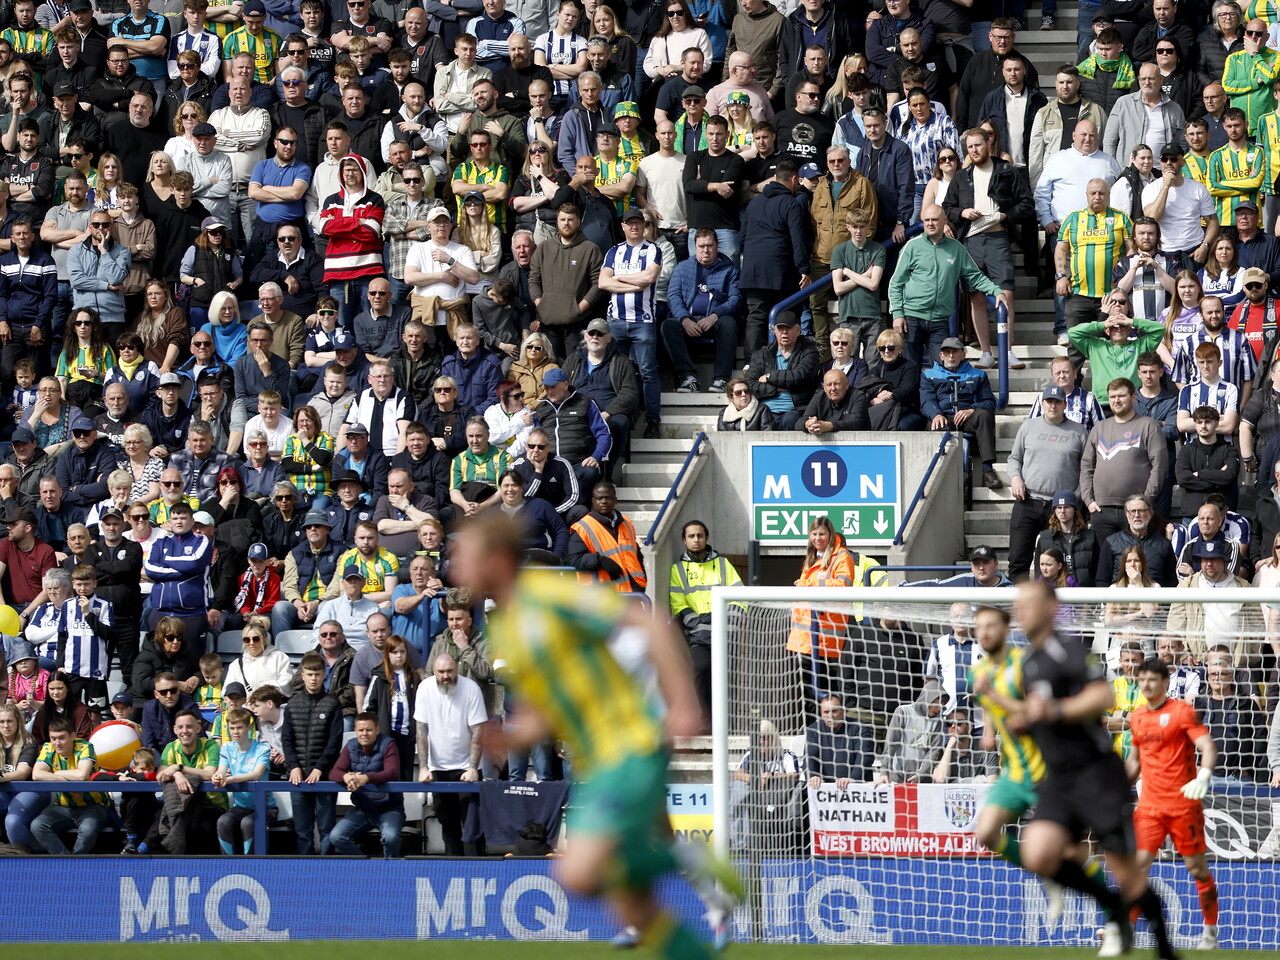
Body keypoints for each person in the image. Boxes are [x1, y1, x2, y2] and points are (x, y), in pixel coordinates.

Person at [1125, 658, 1221, 948]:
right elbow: (1134, 761)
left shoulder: (1182, 712)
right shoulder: (1137, 717)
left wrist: (1204, 775)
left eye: (1152, 680)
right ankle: (1124, 928)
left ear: (1165, 683)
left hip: (1183, 806)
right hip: (1150, 807)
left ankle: (1210, 931)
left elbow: (1207, 746)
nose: (1146, 685)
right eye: (1142, 679)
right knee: (1137, 867)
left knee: (1197, 869)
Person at [890, 204, 1010, 369]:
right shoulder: (911, 246)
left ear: (944, 220)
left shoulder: (956, 248)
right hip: (911, 319)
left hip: (939, 321)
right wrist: (897, 313)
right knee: (910, 371)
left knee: (943, 370)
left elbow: (975, 276)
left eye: (934, 220)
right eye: (926, 220)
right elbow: (896, 283)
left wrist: (996, 291)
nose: (930, 224)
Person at [1006, 386, 1090, 579]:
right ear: (1042, 404)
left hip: (1061, 507)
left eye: (1057, 402)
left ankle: (1052, 597)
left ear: (1065, 405)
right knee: (1018, 559)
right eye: (1049, 401)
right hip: (1028, 501)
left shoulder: (1079, 431)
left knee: (1055, 562)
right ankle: (1019, 598)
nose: (1053, 406)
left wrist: (1077, 495)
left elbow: (1087, 468)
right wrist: (1015, 477)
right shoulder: (1028, 427)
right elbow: (1014, 458)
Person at [920, 336, 1002, 490]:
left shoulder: (978, 374)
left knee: (984, 415)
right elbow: (926, 401)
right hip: (944, 417)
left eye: (955, 352)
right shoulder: (929, 374)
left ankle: (988, 470)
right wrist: (936, 414)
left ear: (963, 355)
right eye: (947, 352)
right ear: (941, 356)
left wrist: (972, 410)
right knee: (935, 425)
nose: (951, 356)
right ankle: (940, 473)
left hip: (968, 418)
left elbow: (989, 402)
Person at [281, 651, 342, 855]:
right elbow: (287, 740)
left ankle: (327, 867)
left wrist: (319, 768)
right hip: (298, 778)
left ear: (324, 674)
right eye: (309, 674)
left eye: (317, 674)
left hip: (324, 778)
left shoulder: (332, 703)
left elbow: (334, 742)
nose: (313, 678)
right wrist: (293, 766)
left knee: (326, 829)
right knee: (302, 832)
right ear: (303, 675)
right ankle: (304, 869)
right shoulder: (292, 704)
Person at [327, 711, 405, 857]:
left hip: (390, 809)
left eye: (368, 730)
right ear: (355, 731)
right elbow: (334, 772)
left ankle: (391, 868)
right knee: (336, 837)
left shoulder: (389, 744)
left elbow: (392, 772)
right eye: (361, 730)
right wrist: (345, 776)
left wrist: (366, 778)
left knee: (391, 837)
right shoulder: (350, 745)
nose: (364, 734)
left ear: (377, 730)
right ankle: (365, 866)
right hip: (362, 809)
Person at [29, 717, 109, 854]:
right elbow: (36, 774)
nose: (57, 743)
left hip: (93, 805)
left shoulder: (85, 746)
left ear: (72, 736)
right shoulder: (48, 748)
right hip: (62, 806)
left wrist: (57, 772)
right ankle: (65, 860)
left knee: (88, 829)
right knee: (37, 826)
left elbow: (82, 775)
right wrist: (67, 782)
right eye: (53, 738)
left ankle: (75, 861)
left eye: (61, 738)